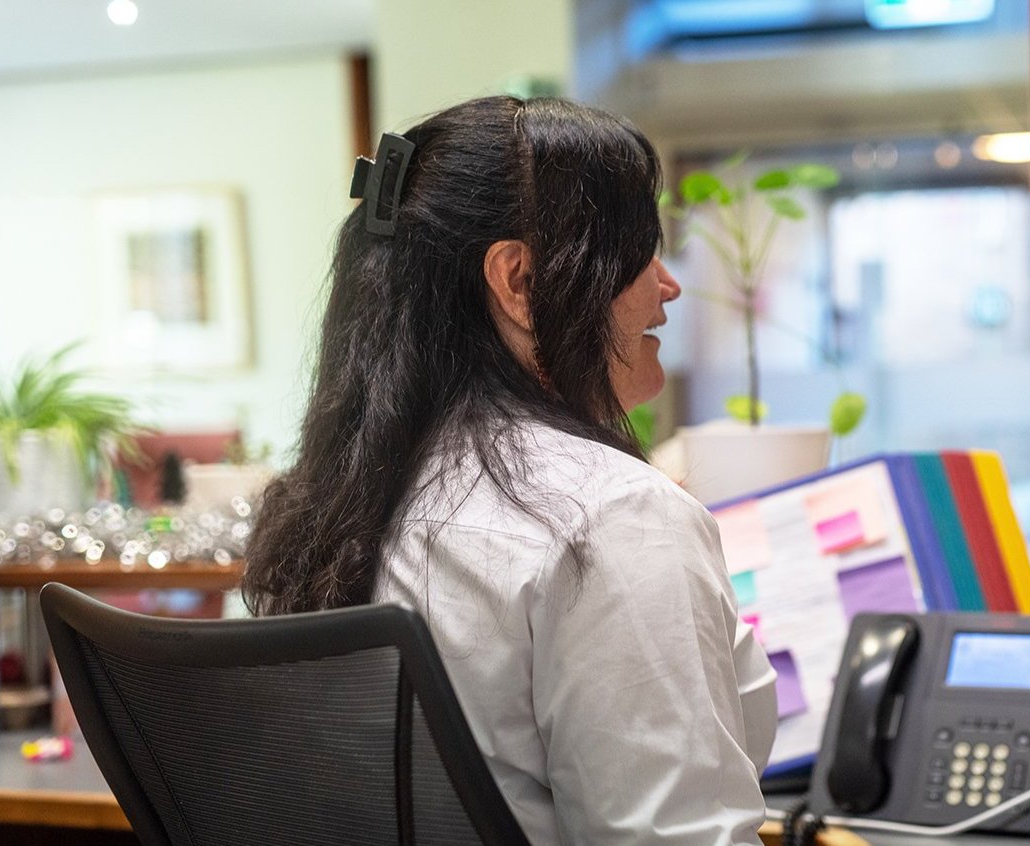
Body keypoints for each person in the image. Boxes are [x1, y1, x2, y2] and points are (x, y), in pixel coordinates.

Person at [242, 97, 773, 845]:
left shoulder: (338, 502)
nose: (668, 284)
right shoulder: (611, 519)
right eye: (638, 250)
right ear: (520, 281)